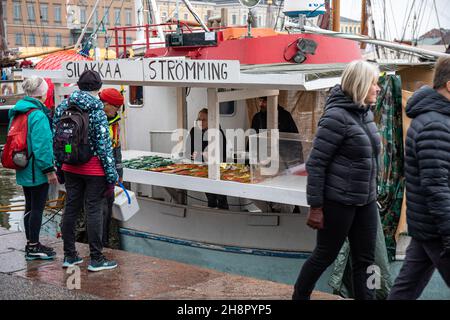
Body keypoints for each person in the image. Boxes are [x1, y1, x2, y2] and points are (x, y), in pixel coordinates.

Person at [292, 60, 381, 300]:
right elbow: (316, 164)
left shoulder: (366, 115)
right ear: (361, 85)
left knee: (366, 260)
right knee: (324, 255)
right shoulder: (335, 118)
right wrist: (316, 207)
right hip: (339, 202)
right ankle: (299, 296)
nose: (378, 88)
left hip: (366, 201)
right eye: (374, 83)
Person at [388, 56, 450, 299]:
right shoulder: (435, 124)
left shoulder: (436, 119)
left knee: (406, 289)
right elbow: (437, 186)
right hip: (438, 228)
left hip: (428, 226)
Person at [53, 70, 118, 272]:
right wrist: (111, 175)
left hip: (70, 165)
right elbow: (104, 146)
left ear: (79, 85)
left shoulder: (64, 106)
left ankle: (70, 255)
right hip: (93, 170)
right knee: (93, 210)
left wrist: (59, 167)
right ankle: (96, 258)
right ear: (98, 88)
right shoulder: (97, 110)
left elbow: (57, 140)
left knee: (71, 209)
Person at [8, 76, 58, 260]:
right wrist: (49, 171)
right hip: (36, 170)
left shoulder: (18, 112)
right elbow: (42, 146)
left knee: (29, 206)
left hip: (22, 166)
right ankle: (34, 246)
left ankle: (32, 243)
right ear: (42, 93)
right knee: (37, 207)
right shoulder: (38, 115)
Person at [186, 108, 229, 210]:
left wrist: (200, 154)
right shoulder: (193, 131)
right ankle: (211, 209)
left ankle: (224, 211)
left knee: (220, 195)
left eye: (204, 119)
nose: (200, 122)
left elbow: (219, 155)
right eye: (199, 119)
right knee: (210, 195)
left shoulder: (218, 133)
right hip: (201, 168)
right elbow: (188, 152)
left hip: (217, 169)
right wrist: (202, 154)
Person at [99, 88, 124, 248]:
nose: (117, 111)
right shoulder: (95, 119)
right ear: (106, 103)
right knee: (98, 209)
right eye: (116, 107)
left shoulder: (114, 123)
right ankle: (98, 247)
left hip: (108, 175)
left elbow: (117, 149)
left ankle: (105, 243)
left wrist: (119, 173)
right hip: (95, 173)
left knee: (107, 207)